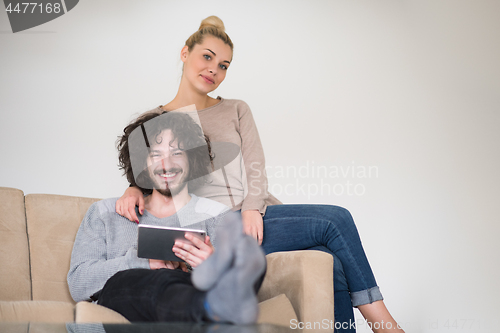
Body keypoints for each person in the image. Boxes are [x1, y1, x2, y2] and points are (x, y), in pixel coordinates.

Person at [115, 16, 404, 332]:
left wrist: (253, 207)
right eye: (207, 56)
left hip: (258, 215)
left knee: (327, 261)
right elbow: (155, 174)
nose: (214, 69)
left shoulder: (236, 108)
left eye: (224, 65)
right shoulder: (157, 120)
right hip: (217, 228)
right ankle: (387, 327)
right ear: (185, 53)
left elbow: (255, 165)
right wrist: (133, 188)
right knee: (335, 220)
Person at [67, 111, 266, 324]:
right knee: (128, 281)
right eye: (155, 155)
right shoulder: (104, 213)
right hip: (123, 307)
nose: (166, 164)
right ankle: (200, 310)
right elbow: (78, 285)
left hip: (182, 309)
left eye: (177, 152)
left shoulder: (217, 217)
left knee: (186, 282)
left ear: (192, 160)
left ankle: (198, 309)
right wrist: (142, 262)